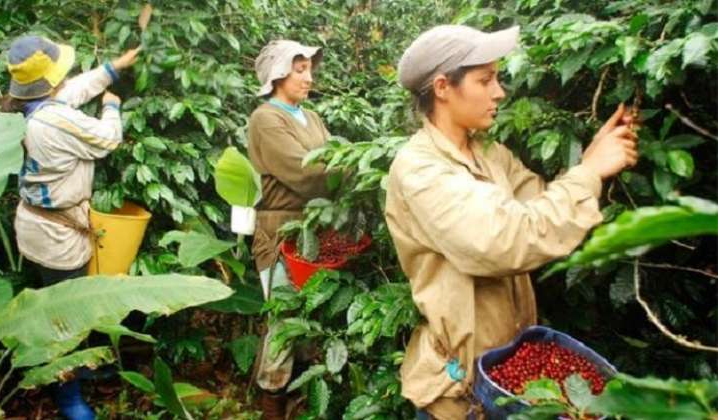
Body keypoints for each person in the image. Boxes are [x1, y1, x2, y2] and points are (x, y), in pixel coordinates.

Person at [384, 25, 638, 419]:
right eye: (485, 80)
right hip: (460, 394)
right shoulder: (420, 170)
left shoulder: (489, 153)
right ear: (442, 87)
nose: (499, 92)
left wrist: (593, 162)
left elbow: (541, 211)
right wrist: (589, 171)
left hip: (508, 378)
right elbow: (506, 240)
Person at [3, 35, 140, 420]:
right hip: (56, 234)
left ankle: (82, 368)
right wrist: (112, 106)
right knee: (65, 316)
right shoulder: (57, 121)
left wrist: (113, 68)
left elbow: (72, 92)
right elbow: (107, 139)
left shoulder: (33, 108)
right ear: (50, 81)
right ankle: (68, 395)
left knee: (63, 304)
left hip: (37, 223)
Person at [246, 39, 331, 419]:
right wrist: (357, 171)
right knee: (283, 321)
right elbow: (308, 174)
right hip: (280, 232)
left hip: (315, 231)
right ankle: (272, 404)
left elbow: (329, 160)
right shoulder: (266, 118)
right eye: (299, 69)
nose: (308, 78)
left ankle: (302, 399)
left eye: (310, 69)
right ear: (278, 74)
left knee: (311, 316)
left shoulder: (311, 118)